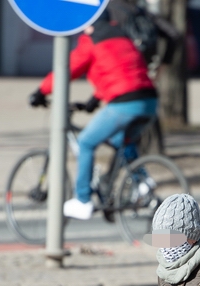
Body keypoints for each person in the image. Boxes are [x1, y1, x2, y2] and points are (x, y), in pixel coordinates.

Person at [30, 9, 157, 221]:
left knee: (86, 142)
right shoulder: (122, 36)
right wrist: (94, 100)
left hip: (124, 103)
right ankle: (142, 182)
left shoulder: (92, 40)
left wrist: (41, 91)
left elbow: (68, 68)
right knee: (120, 140)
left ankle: (82, 200)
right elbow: (119, 70)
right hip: (149, 100)